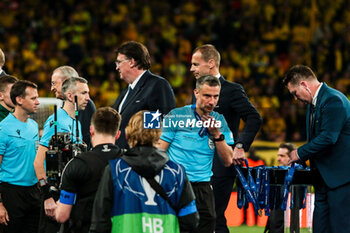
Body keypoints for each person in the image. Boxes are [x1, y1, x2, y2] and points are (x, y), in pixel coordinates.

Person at [190, 44, 262, 233]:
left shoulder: (231, 90)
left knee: (214, 216)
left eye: (196, 64)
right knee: (202, 217)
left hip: (220, 163)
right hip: (198, 165)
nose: (192, 69)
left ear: (211, 63)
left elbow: (254, 117)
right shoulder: (197, 92)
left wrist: (240, 145)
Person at [89, 110, 199, 233]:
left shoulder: (116, 169)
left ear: (127, 135)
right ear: (159, 136)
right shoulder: (176, 172)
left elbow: (100, 222)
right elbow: (190, 220)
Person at [158, 75, 234, 233]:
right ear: (196, 93)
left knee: (208, 225)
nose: (212, 101)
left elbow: (228, 160)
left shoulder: (220, 120)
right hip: (177, 185)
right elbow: (159, 152)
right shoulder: (177, 116)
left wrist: (217, 135)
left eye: (216, 96)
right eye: (207, 96)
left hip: (203, 187)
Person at [284, 65, 350, 233]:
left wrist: (299, 152)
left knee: (340, 227)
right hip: (323, 180)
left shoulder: (334, 100)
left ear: (304, 85)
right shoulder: (314, 104)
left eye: (294, 93)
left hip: (341, 180)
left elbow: (329, 137)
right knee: (320, 228)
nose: (295, 98)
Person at [34, 76, 90, 233]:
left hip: (68, 192)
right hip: (54, 195)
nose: (88, 98)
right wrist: (47, 197)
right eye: (84, 93)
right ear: (71, 96)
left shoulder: (76, 121)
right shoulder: (56, 122)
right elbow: (38, 162)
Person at [55, 107, 122, 233]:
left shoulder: (76, 164)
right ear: (118, 134)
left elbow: (62, 215)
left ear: (91, 130)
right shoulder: (128, 163)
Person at [112, 41, 176, 149]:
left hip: (142, 160)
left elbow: (163, 127)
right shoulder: (126, 91)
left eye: (119, 62)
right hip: (123, 159)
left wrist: (152, 158)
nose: (117, 68)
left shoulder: (157, 86)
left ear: (131, 62)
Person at [0, 80, 41, 233]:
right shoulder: (3, 129)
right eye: (33, 98)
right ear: (19, 100)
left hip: (33, 192)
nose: (37, 102)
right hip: (11, 194)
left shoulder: (34, 126)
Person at [51, 65, 96, 149]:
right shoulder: (57, 115)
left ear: (67, 81)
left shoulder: (84, 104)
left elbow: (86, 140)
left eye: (54, 83)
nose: (52, 88)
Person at [264, 143, 296, 233]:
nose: (278, 159)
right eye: (278, 155)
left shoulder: (297, 178)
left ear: (291, 157)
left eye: (282, 156)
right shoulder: (276, 176)